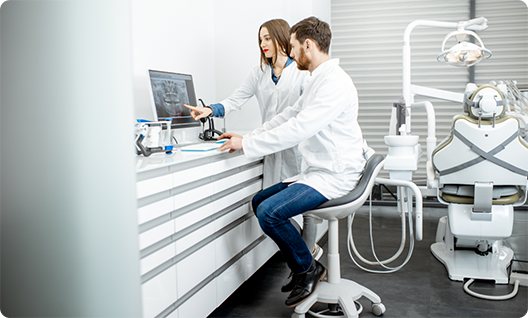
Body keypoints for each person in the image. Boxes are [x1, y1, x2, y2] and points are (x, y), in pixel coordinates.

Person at [216, 16, 366, 307]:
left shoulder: (334, 83)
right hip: (318, 170)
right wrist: (249, 135)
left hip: (335, 174)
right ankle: (305, 263)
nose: (291, 52)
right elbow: (287, 117)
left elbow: (299, 128)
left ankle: (307, 268)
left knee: (270, 213)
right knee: (260, 201)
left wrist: (247, 144)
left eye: (294, 46)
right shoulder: (315, 80)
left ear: (308, 45)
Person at [184, 19, 323, 275]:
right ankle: (307, 255)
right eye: (260, 39)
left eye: (268, 38)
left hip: (297, 148)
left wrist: (250, 140)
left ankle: (308, 256)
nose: (263, 44)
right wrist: (210, 109)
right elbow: (237, 98)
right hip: (269, 147)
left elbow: (299, 117)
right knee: (274, 208)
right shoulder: (260, 71)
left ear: (283, 38)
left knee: (301, 210)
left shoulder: (302, 72)